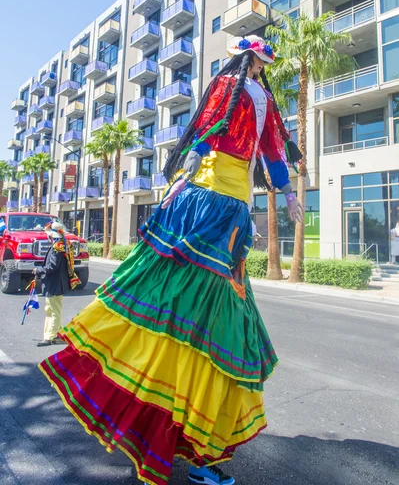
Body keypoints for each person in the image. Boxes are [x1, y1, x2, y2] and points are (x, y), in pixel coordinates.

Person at [39, 36, 303, 485]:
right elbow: (220, 135)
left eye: (260, 61)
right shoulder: (239, 89)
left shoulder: (248, 93)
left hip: (223, 205)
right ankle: (186, 439)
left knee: (188, 313)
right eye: (260, 59)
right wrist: (280, 189)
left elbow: (259, 145)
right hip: (213, 200)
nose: (260, 66)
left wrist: (287, 191)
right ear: (256, 61)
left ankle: (182, 435)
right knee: (192, 315)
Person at [35, 220, 80, 347]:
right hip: (54, 283)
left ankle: (50, 337)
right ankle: (57, 334)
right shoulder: (60, 246)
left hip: (54, 283)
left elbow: (52, 267)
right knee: (51, 309)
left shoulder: (57, 248)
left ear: (52, 235)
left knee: (53, 311)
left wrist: (38, 270)